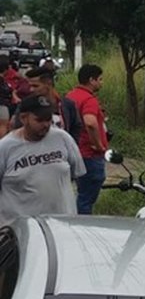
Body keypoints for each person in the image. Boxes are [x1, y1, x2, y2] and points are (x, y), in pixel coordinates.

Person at [0, 95, 85, 225]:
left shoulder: (62, 138)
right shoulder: (6, 148)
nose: (46, 125)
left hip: (63, 225)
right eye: (39, 120)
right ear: (24, 118)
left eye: (48, 119)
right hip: (21, 232)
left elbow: (76, 173)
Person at [66, 64, 108, 215]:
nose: (102, 83)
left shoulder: (70, 96)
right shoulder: (89, 99)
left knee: (78, 193)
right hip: (89, 154)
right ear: (92, 80)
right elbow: (90, 122)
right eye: (100, 79)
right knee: (86, 198)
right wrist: (98, 145)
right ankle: (82, 227)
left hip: (73, 151)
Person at [9, 67, 81, 142]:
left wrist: (70, 144)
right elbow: (17, 129)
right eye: (30, 86)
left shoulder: (67, 104)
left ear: (48, 83)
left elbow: (76, 126)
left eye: (35, 86)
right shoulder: (25, 106)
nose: (31, 89)